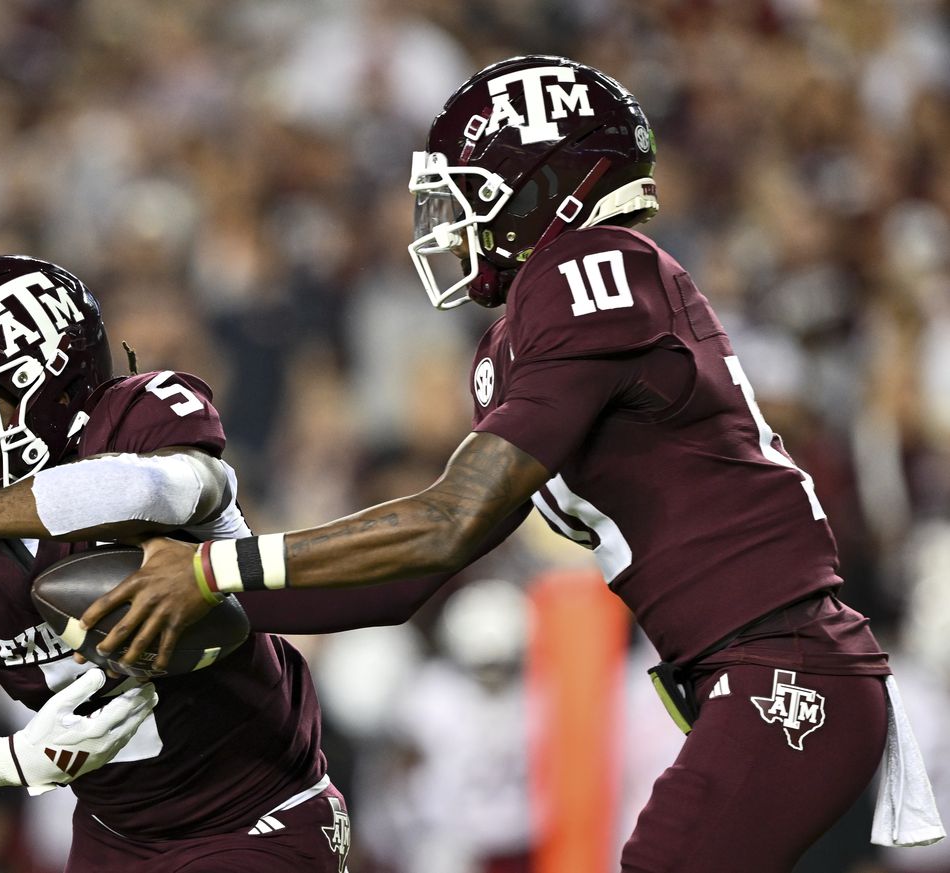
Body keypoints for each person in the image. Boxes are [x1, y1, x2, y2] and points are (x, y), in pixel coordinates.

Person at [73, 56, 946, 872]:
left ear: (552, 190)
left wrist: (215, 566)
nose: (453, 222)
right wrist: (213, 602)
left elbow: (449, 521)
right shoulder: (542, 314)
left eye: (474, 195)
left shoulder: (589, 267)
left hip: (783, 666)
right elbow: (408, 577)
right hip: (752, 673)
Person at [0, 254, 430, 873]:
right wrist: (11, 759)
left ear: (45, 393)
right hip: (113, 836)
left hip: (257, 815)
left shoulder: (131, 425)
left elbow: (167, 490)